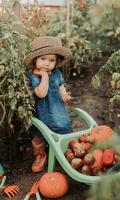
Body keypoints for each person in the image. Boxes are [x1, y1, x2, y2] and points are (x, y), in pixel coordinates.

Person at [24, 36, 73, 173]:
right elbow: (41, 93)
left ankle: (63, 151)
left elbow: (60, 85)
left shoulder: (57, 73)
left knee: (62, 128)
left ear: (56, 62)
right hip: (42, 112)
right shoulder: (34, 75)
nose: (46, 63)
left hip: (58, 110)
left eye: (51, 60)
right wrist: (44, 76)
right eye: (43, 59)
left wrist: (64, 95)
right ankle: (40, 156)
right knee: (39, 135)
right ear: (35, 60)